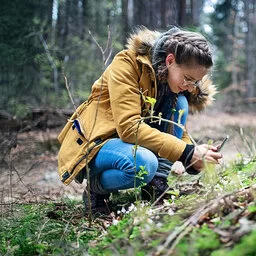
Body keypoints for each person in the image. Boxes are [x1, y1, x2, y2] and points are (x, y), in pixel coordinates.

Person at [57, 27, 222, 215]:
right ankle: (96, 188)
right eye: (188, 79)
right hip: (97, 143)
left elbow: (176, 129)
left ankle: (155, 183)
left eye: (195, 82)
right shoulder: (127, 64)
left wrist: (194, 157)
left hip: (128, 144)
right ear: (169, 60)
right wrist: (186, 153)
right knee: (144, 164)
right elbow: (129, 127)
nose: (191, 87)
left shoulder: (170, 82)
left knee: (182, 102)